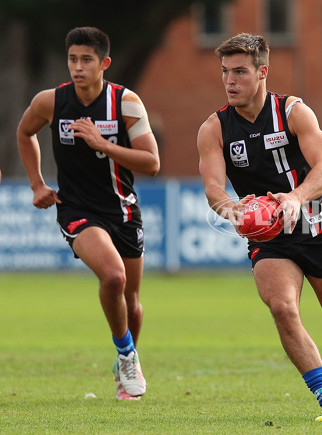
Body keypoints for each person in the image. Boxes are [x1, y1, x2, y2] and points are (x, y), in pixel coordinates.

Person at [197, 33, 322, 422]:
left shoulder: (293, 113)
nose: (229, 80)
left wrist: (294, 198)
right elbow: (213, 188)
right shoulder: (215, 128)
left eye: (239, 71)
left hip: (314, 223)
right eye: (225, 72)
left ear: (262, 72)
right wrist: (233, 211)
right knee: (283, 309)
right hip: (267, 237)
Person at [17, 27, 159, 400]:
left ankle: (125, 364)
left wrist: (101, 144)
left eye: (86, 60)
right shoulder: (51, 102)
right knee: (113, 277)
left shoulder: (125, 103)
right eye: (72, 59)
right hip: (77, 210)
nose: (77, 67)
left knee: (132, 304)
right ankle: (127, 355)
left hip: (123, 211)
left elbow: (152, 163)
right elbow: (24, 132)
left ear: (104, 63)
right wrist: (37, 184)